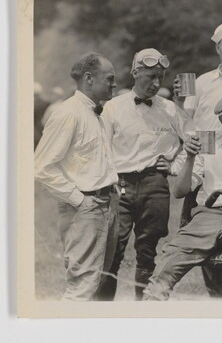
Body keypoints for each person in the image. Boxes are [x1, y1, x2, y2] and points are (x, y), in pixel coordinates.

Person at [143, 91, 222, 300]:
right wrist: (190, 158)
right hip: (209, 216)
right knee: (172, 255)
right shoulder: (208, 150)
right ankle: (152, 302)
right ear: (221, 120)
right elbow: (179, 191)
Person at [97, 48, 192, 300]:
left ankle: (144, 312)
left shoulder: (170, 109)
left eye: (161, 77)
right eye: (151, 76)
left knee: (148, 251)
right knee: (112, 249)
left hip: (155, 185)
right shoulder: (113, 108)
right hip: (120, 184)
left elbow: (196, 140)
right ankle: (102, 314)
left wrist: (175, 165)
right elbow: (101, 149)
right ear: (135, 72)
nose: (157, 83)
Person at [35, 52, 118, 300]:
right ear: (89, 78)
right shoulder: (68, 113)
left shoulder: (96, 112)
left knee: (98, 283)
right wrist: (80, 201)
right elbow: (42, 167)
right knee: (81, 288)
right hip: (84, 210)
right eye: (109, 78)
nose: (114, 84)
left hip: (106, 205)